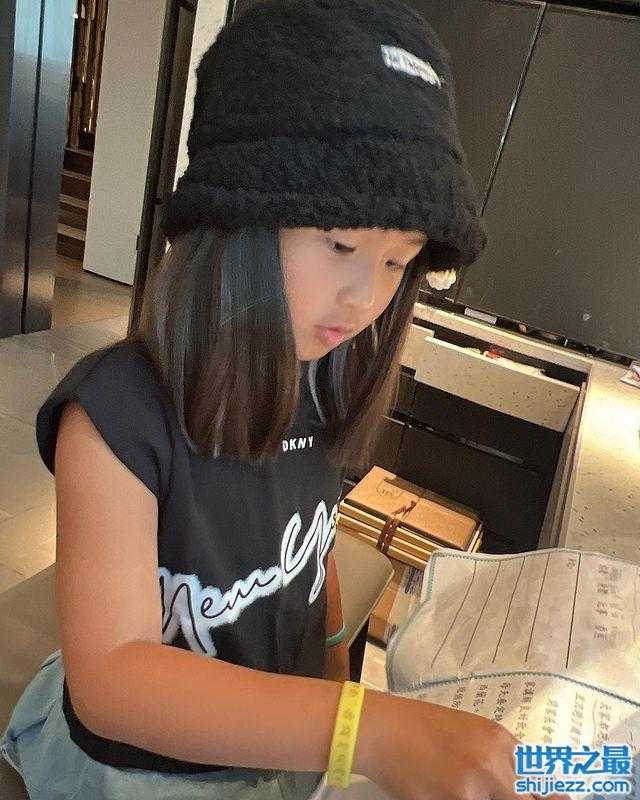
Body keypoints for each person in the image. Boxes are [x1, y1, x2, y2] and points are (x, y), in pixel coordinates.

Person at [0, 1, 569, 799]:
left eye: (398, 262)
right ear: (232, 224)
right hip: (148, 768)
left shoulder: (321, 371)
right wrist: (366, 728)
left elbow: (310, 541)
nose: (365, 298)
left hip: (284, 735)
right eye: (341, 245)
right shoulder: (112, 414)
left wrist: (333, 658)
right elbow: (116, 682)